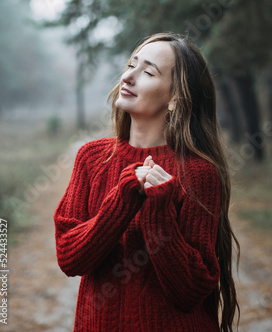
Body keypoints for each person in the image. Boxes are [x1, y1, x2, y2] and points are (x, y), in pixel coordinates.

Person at [54, 32, 240, 332]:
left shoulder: (197, 172)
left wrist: (158, 215)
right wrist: (123, 198)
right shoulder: (92, 158)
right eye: (131, 64)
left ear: (175, 97)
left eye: (148, 72)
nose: (128, 76)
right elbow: (70, 258)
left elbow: (191, 291)